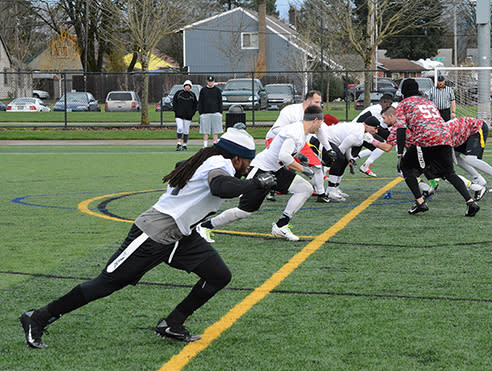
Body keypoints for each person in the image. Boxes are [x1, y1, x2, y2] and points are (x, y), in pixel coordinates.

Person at [19, 127, 277, 348]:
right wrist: (254, 184)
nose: (248, 167)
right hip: (155, 231)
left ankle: (172, 323)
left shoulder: (209, 160)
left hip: (180, 234)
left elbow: (185, 171)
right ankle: (39, 317)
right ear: (235, 159)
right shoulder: (218, 164)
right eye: (246, 161)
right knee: (106, 283)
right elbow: (220, 186)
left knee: (219, 275)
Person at [198, 105, 324, 242]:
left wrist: (299, 157)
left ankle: (281, 226)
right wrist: (304, 169)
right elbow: (284, 157)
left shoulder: (300, 130)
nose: (320, 127)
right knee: (244, 211)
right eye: (320, 123)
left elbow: (282, 150)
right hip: (261, 170)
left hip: (275, 170)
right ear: (315, 120)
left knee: (305, 189)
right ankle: (204, 226)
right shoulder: (296, 132)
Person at [393, 78, 480, 216]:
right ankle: (470, 202)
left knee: (406, 167)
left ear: (403, 93)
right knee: (449, 173)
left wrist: (399, 154)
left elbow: (401, 129)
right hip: (445, 137)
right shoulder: (429, 102)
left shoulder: (403, 104)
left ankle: (420, 202)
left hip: (425, 139)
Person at [264, 90, 335, 203]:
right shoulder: (290, 111)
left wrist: (329, 149)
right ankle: (269, 189)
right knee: (275, 164)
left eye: (320, 102)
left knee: (317, 165)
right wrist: (293, 132)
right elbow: (275, 129)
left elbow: (319, 131)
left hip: (298, 142)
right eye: (316, 102)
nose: (319, 105)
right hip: (277, 139)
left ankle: (321, 194)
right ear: (307, 101)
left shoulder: (314, 115)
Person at [319, 116, 381, 201]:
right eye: (375, 128)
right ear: (367, 125)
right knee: (340, 159)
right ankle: (331, 190)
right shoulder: (358, 133)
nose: (376, 131)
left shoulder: (360, 130)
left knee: (343, 160)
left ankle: (335, 188)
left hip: (330, 140)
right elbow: (342, 149)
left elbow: (347, 144)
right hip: (323, 140)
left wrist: (350, 158)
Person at [446, 116, 492, 193]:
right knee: (455, 157)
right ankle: (477, 178)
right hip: (462, 133)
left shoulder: (440, 136)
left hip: (476, 128)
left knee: (470, 159)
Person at [352, 93, 394, 177]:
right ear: (384, 103)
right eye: (389, 104)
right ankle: (363, 165)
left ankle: (363, 164)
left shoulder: (383, 111)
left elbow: (383, 130)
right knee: (382, 145)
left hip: (363, 131)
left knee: (380, 145)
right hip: (357, 131)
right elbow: (360, 122)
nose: (389, 106)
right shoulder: (375, 110)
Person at [198, 75, 223, 148]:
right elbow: (200, 102)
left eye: (211, 81)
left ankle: (215, 145)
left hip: (216, 113)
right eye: (209, 81)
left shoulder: (217, 90)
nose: (210, 83)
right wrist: (201, 113)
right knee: (205, 131)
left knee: (216, 130)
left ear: (214, 82)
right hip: (205, 114)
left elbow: (220, 102)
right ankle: (205, 145)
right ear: (207, 82)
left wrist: (220, 112)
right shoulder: (203, 90)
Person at [173, 80, 198, 151]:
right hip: (179, 115)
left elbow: (195, 105)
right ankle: (178, 144)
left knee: (186, 130)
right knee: (180, 128)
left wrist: (192, 113)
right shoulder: (179, 93)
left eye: (189, 86)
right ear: (184, 86)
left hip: (188, 116)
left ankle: (184, 145)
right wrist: (176, 111)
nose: (187, 87)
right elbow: (174, 103)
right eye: (186, 85)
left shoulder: (192, 95)